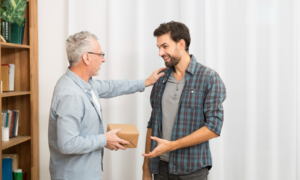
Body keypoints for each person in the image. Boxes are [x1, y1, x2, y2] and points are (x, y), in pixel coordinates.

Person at [48, 31, 166, 180]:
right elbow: (68, 144)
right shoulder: (71, 94)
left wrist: (145, 82)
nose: (103, 59)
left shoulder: (85, 84)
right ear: (87, 57)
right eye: (100, 54)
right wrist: (104, 140)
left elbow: (111, 87)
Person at [142, 21, 227, 180]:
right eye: (159, 47)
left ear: (181, 44)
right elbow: (153, 123)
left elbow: (214, 127)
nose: (160, 53)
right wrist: (146, 168)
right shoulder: (160, 80)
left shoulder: (209, 78)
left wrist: (172, 145)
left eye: (165, 46)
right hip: (160, 168)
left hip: (192, 170)